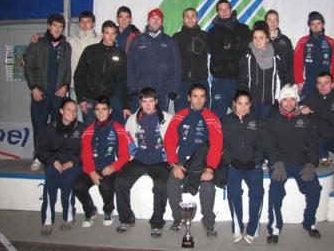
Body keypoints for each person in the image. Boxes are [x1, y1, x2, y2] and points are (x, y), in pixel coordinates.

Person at [164, 83, 223, 237]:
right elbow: (169, 141)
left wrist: (210, 168)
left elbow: (216, 146)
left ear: (205, 98)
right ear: (189, 98)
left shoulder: (212, 118)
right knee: (171, 184)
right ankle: (178, 218)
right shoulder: (179, 116)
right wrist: (174, 164)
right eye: (195, 96)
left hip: (204, 163)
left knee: (208, 188)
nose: (198, 100)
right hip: (182, 163)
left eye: (202, 97)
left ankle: (208, 222)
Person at [266, 84, 321, 243]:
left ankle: (309, 222)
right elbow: (269, 145)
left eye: (292, 99)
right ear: (280, 101)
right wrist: (276, 163)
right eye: (285, 100)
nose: (289, 103)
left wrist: (311, 164)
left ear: (297, 101)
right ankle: (275, 227)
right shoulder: (272, 119)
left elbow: (313, 145)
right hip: (281, 164)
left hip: (302, 163)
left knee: (315, 189)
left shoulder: (306, 119)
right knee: (275, 190)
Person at [115, 87, 172, 237]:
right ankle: (126, 218)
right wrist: (134, 151)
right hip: (139, 159)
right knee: (120, 181)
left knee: (161, 185)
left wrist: (167, 154)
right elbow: (127, 137)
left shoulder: (168, 118)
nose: (148, 105)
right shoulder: (133, 119)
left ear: (156, 101)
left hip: (160, 160)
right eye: (144, 101)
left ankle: (157, 222)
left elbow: (174, 139)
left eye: (151, 101)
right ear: (139, 102)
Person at [30, 11, 102, 122]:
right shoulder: (69, 40)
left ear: (93, 24)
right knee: (74, 119)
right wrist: (39, 35)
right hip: (74, 87)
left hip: (92, 89)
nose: (85, 25)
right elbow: (54, 36)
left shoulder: (100, 40)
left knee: (91, 122)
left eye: (88, 22)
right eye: (82, 22)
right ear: (78, 24)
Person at [73, 96, 131, 228]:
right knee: (77, 185)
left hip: (111, 167)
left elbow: (125, 155)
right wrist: (91, 172)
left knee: (105, 186)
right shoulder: (88, 131)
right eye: (98, 109)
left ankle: (108, 210)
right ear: (94, 112)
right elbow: (86, 155)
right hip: (92, 167)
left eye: (104, 109)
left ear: (110, 110)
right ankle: (90, 211)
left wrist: (113, 167)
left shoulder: (119, 128)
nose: (101, 112)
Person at [24, 13, 71, 171]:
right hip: (40, 94)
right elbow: (28, 67)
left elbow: (67, 70)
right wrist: (34, 88)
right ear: (48, 26)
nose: (58, 29)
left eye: (60, 26)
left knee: (58, 128)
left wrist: (65, 85)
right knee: (40, 127)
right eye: (55, 25)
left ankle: (54, 158)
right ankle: (38, 157)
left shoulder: (66, 46)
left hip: (58, 95)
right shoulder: (37, 43)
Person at [222, 90, 265, 244]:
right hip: (234, 164)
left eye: (246, 104)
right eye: (240, 103)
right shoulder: (226, 121)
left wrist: (256, 160)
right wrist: (231, 160)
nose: (243, 107)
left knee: (257, 192)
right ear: (234, 103)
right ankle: (238, 226)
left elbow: (262, 144)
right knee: (234, 191)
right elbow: (223, 145)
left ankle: (253, 228)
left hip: (253, 164)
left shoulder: (257, 121)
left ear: (250, 105)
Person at [37, 98, 85, 236]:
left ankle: (68, 216)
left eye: (75, 110)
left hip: (73, 164)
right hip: (54, 163)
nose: (72, 113)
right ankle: (47, 220)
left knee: (67, 183)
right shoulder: (50, 128)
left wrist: (73, 162)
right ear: (61, 111)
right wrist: (53, 161)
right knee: (50, 185)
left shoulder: (81, 128)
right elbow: (41, 151)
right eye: (69, 109)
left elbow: (84, 151)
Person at [74, 20, 131, 125]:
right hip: (90, 99)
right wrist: (81, 99)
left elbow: (123, 81)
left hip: (110, 99)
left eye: (113, 33)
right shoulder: (90, 51)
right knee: (90, 131)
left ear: (116, 34)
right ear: (102, 34)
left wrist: (125, 105)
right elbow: (78, 75)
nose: (110, 37)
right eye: (107, 33)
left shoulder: (120, 54)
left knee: (115, 129)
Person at [127, 8, 181, 112]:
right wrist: (132, 87)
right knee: (141, 122)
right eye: (153, 18)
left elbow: (176, 66)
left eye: (158, 18)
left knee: (161, 123)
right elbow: (130, 66)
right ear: (148, 20)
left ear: (162, 21)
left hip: (162, 90)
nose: (155, 21)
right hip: (142, 90)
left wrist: (174, 89)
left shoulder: (170, 41)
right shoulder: (137, 41)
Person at [208, 0, 251, 119]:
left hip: (239, 80)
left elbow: (246, 50)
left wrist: (229, 49)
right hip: (220, 80)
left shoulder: (243, 29)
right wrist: (236, 52)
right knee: (217, 117)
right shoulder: (212, 32)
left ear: (231, 10)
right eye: (221, 10)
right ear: (217, 12)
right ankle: (215, 139)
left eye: (226, 9)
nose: (224, 12)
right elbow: (217, 54)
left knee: (241, 116)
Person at [239, 21, 288, 120]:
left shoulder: (276, 55)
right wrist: (246, 99)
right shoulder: (247, 56)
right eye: (255, 38)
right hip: (251, 103)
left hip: (269, 102)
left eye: (261, 38)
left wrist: (278, 98)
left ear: (267, 38)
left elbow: (282, 77)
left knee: (266, 130)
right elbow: (242, 79)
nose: (258, 41)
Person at [294, 11, 334, 98]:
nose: (316, 27)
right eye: (313, 24)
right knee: (306, 110)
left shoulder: (331, 42)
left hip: (325, 85)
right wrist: (299, 83)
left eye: (318, 23)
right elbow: (297, 64)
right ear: (309, 26)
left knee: (324, 111)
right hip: (309, 85)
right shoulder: (303, 41)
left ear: (323, 24)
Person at [173, 7, 209, 112]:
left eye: (193, 16)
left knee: (202, 115)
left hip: (201, 80)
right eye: (187, 17)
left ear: (197, 19)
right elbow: (171, 61)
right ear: (183, 19)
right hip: (182, 83)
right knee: (181, 114)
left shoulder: (204, 36)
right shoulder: (176, 37)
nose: (190, 19)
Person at [265, 9, 294, 85]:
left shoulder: (285, 40)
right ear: (265, 22)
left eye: (275, 20)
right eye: (269, 20)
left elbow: (291, 62)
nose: (272, 22)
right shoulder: (261, 40)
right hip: (266, 81)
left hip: (283, 81)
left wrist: (290, 81)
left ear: (278, 22)